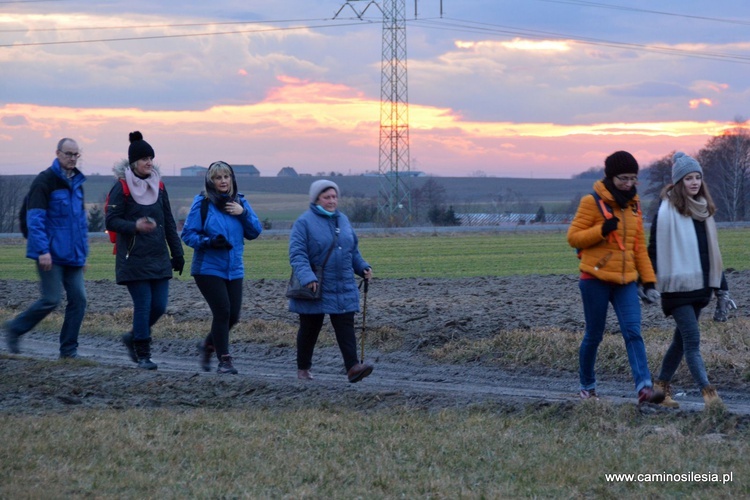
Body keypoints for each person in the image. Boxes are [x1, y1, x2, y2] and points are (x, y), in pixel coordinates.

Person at [567, 151, 665, 404]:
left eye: (634, 178)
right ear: (610, 176)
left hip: (626, 282)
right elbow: (574, 238)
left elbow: (638, 247)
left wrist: (649, 280)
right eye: (624, 178)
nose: (629, 183)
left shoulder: (634, 205)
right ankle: (587, 387)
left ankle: (644, 388)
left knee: (633, 331)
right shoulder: (592, 202)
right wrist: (600, 231)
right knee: (594, 335)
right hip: (595, 279)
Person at [648, 152, 726, 409]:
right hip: (677, 287)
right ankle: (709, 394)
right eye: (688, 178)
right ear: (678, 182)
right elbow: (654, 249)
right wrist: (648, 282)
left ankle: (659, 392)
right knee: (692, 341)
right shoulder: (666, 211)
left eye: (697, 177)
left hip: (700, 289)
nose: (694, 182)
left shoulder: (703, 210)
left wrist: (721, 288)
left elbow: (712, 254)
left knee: (680, 342)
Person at [105, 131, 184, 370]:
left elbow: (168, 221)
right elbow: (111, 221)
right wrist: (135, 227)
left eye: (151, 158)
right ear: (133, 163)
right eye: (144, 159)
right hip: (133, 258)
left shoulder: (158, 186)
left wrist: (177, 252)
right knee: (144, 305)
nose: (149, 162)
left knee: (159, 306)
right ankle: (143, 354)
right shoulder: (121, 188)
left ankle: (132, 337)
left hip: (158, 257)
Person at [3, 138, 88, 359]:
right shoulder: (45, 181)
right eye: (68, 154)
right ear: (58, 153)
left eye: (75, 154)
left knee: (79, 299)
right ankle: (15, 328)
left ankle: (69, 350)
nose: (72, 158)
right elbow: (35, 219)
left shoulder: (77, 183)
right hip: (50, 254)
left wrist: (84, 255)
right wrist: (42, 251)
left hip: (73, 256)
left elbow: (80, 224)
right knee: (51, 299)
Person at [180, 161, 263, 374]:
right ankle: (224, 360)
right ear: (211, 181)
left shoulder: (240, 202)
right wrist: (209, 242)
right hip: (207, 268)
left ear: (232, 179)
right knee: (223, 311)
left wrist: (242, 213)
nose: (223, 181)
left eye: (226, 177)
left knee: (233, 315)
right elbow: (188, 234)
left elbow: (254, 232)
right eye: (218, 178)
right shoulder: (203, 204)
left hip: (234, 268)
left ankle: (208, 344)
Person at [289, 180, 374, 383]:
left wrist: (362, 267)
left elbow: (352, 250)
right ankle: (303, 369)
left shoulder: (343, 220)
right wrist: (308, 277)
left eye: (334, 196)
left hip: (342, 283)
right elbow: (297, 254)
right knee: (310, 328)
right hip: (315, 285)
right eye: (327, 197)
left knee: (345, 325)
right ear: (316, 199)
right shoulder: (304, 223)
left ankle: (353, 368)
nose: (332, 200)